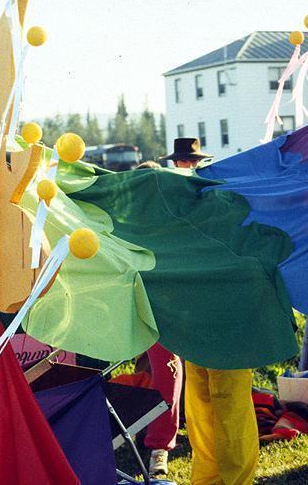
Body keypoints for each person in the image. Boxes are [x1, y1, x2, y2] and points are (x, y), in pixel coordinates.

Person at [160, 139, 260, 483]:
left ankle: (236, 479)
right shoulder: (175, 208)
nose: (186, 166)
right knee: (200, 403)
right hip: (197, 319)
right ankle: (207, 478)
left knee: (230, 401)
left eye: (192, 161)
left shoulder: (225, 203)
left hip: (229, 320)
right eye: (182, 161)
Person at [134, 160, 185, 478]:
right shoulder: (131, 218)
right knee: (151, 370)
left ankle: (159, 447)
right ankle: (148, 433)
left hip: (168, 307)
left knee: (167, 370)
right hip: (137, 305)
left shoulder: (171, 216)